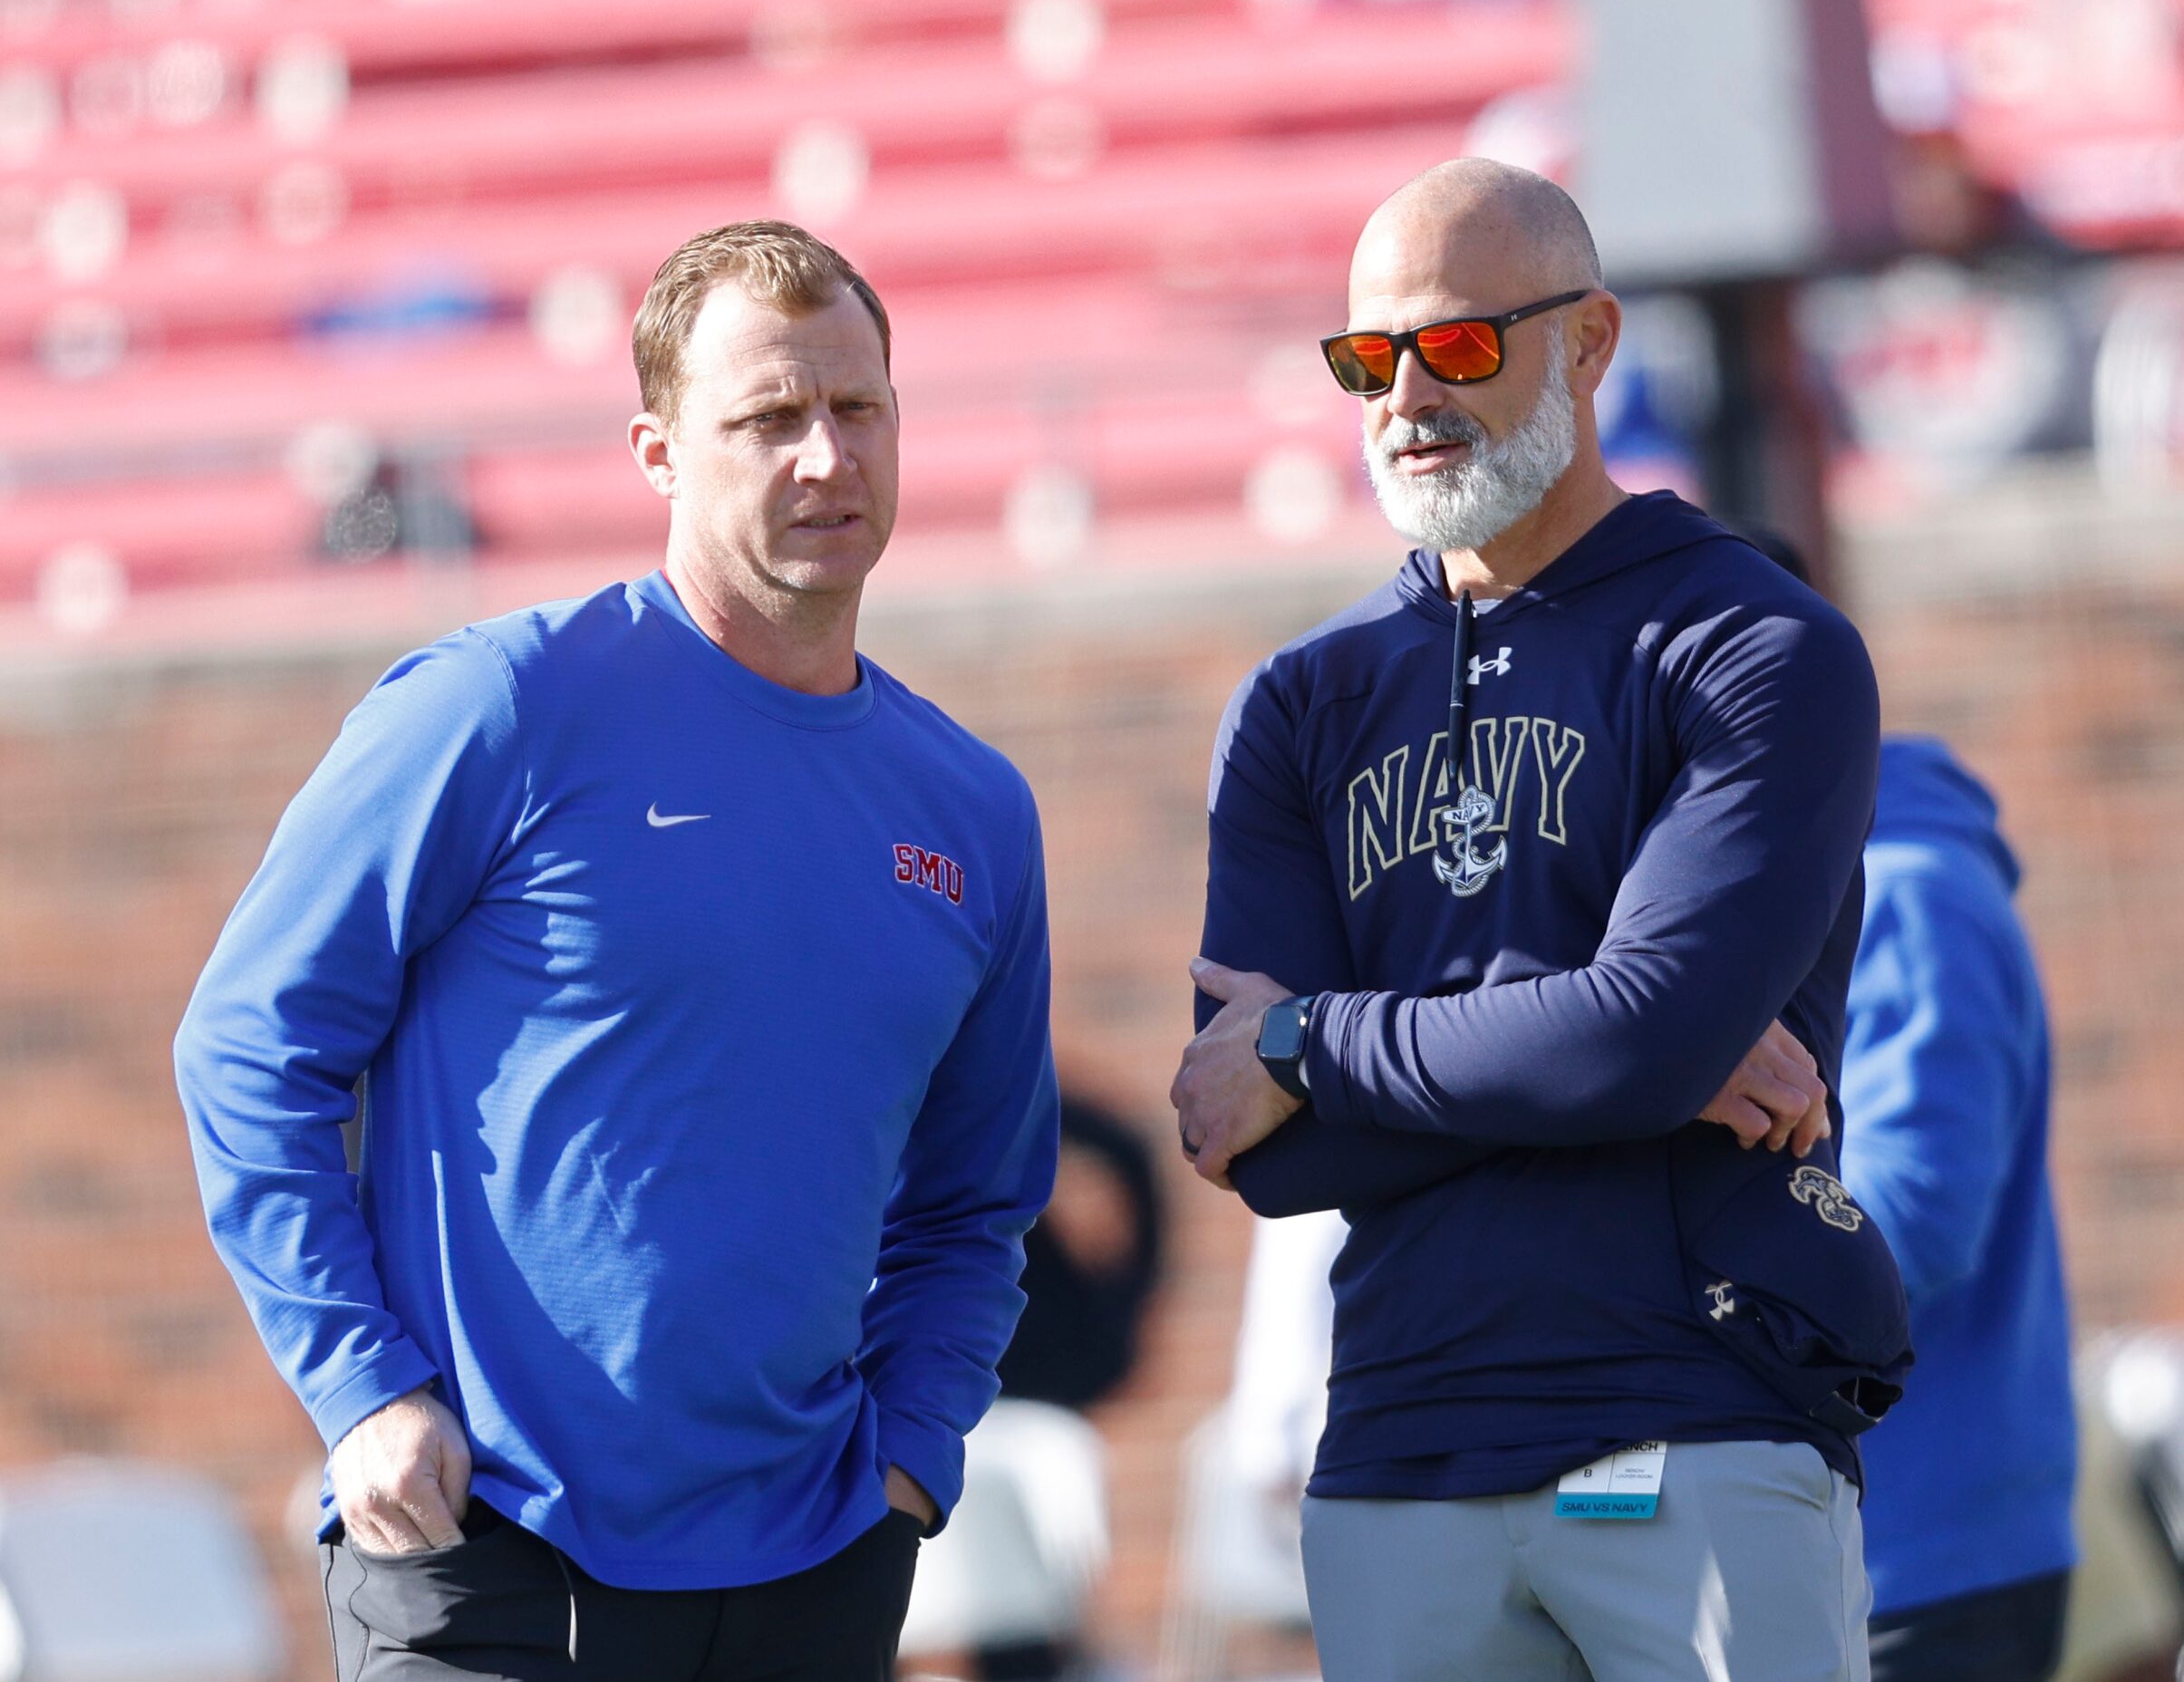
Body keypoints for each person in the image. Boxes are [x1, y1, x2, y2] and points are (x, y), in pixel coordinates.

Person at [174, 221, 1060, 1682]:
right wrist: (361, 1387)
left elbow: (974, 1204)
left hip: (817, 1569)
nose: (825, 456)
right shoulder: (497, 709)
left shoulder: (970, 809)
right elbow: (248, 1048)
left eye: (856, 408)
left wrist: (907, 1460)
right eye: (769, 418)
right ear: (656, 453)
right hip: (490, 1549)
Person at [1169, 158, 1912, 1680]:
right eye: (1366, 360)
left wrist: (1314, 1035)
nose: (1403, 397)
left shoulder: (1755, 643)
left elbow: (1625, 1043)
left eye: (1453, 344)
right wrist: (1604, 1052)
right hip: (1395, 1445)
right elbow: (1265, 1143)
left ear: (1587, 340)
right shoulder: (1301, 701)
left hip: (1693, 1418)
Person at [1741, 531, 2078, 1680]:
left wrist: (1669, 1291)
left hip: (1923, 1552)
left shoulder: (1912, 891)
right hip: (1827, 1538)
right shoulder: (1768, 885)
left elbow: (1917, 1216)